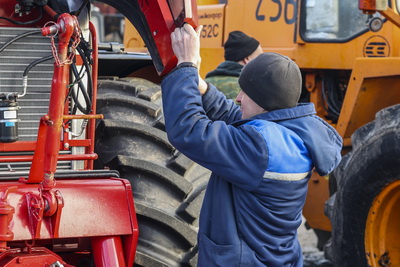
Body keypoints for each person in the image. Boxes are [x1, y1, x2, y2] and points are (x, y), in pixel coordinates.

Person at [161, 24, 343, 266]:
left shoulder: (258, 149)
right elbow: (235, 118)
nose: (238, 98)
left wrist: (186, 64)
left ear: (264, 101)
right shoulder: (291, 135)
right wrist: (201, 87)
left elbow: (190, 130)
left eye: (244, 93)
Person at [205, 30, 263, 99]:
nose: (262, 61)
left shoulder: (205, 84)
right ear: (247, 59)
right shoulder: (251, 88)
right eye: (259, 56)